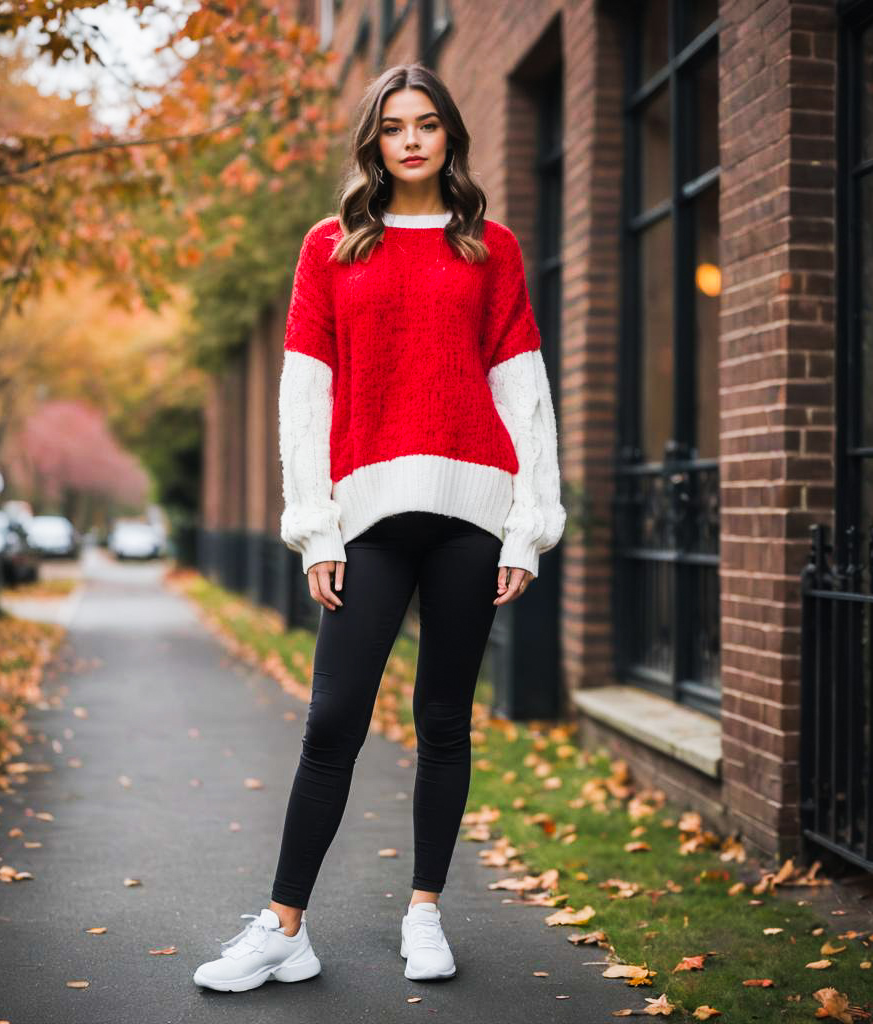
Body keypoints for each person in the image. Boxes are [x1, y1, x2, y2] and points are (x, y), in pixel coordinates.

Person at [193, 62, 565, 994]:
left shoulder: (493, 248)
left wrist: (529, 526)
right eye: (393, 125)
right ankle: (284, 928)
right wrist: (314, 525)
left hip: (472, 512)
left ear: (449, 137)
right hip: (368, 518)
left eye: (427, 124)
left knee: (444, 719)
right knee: (332, 720)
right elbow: (303, 397)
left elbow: (524, 392)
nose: (410, 139)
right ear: (373, 140)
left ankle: (426, 911)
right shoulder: (330, 248)